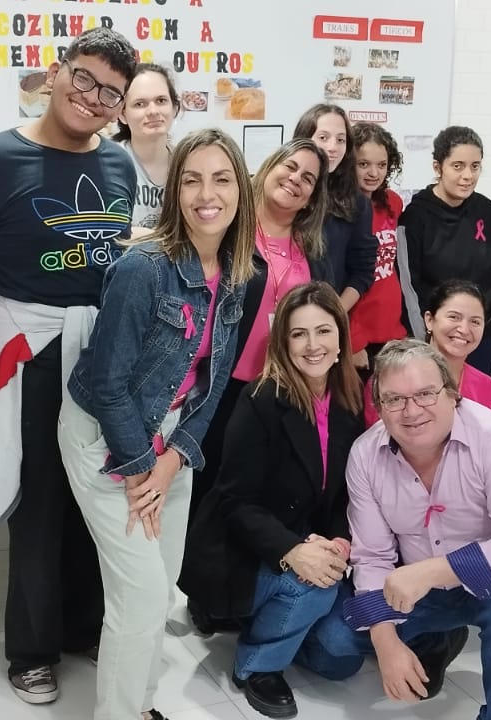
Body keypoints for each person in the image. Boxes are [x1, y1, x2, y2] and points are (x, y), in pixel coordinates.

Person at [0, 26, 138, 703]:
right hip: (27, 349)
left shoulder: (119, 164)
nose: (93, 97)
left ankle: (82, 625)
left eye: (110, 92)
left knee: (96, 493)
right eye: (84, 78)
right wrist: (3, 340)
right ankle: (30, 649)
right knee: (39, 500)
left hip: (100, 351)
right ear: (55, 72)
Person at [60, 128, 256, 720]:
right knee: (142, 598)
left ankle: (141, 706)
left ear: (240, 191)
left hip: (170, 437)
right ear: (174, 192)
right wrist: (143, 466)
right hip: (107, 435)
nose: (207, 194)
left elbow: (213, 381)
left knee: (162, 582)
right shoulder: (143, 268)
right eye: (192, 179)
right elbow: (107, 383)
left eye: (221, 179)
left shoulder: (238, 270)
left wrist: (174, 458)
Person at [298, 339, 491, 720]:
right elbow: (372, 557)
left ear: (452, 394)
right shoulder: (365, 455)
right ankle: (437, 636)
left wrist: (431, 571)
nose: (411, 411)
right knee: (335, 639)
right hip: (422, 583)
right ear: (379, 406)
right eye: (394, 399)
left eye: (425, 394)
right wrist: (386, 642)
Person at [179, 282, 363, 719]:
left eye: (323, 331)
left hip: (308, 537)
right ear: (283, 342)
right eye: (299, 334)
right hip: (243, 550)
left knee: (342, 659)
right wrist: (294, 553)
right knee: (316, 589)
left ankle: (276, 620)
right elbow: (234, 502)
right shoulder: (261, 398)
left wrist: (338, 543)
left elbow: (344, 494)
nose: (313, 345)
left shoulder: (350, 400)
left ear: (341, 338)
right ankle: (256, 667)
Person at [186, 139, 332, 615]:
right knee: (208, 495)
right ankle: (202, 595)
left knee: (255, 494)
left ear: (312, 197)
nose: (296, 179)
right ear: (268, 168)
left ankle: (240, 594)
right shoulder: (231, 230)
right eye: (290, 167)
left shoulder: (311, 249)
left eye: (308, 178)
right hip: (223, 384)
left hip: (278, 392)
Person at [397, 126, 491, 374]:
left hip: (479, 336)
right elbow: (408, 284)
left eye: (475, 166)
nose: (467, 175)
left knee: (475, 406)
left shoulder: (488, 211)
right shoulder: (415, 217)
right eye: (458, 166)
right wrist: (419, 339)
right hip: (435, 337)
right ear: (438, 167)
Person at [366, 280, 491, 425]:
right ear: (429, 320)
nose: (464, 329)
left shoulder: (487, 388)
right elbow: (376, 439)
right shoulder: (390, 377)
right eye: (454, 317)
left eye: (475, 322)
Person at [294, 104, 376, 311]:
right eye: (323, 137)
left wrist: (334, 312)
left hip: (326, 313)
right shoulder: (287, 190)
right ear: (304, 139)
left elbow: (363, 270)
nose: (333, 147)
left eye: (341, 140)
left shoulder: (356, 203)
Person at [346, 122, 406, 372]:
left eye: (381, 165)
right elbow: (336, 279)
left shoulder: (393, 202)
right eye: (363, 164)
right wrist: (353, 339)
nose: (374, 173)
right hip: (357, 334)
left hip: (392, 331)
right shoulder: (341, 209)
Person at [114, 62, 179, 231]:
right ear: (122, 114)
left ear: (175, 108)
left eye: (161, 100)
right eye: (140, 104)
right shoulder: (109, 163)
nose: (152, 111)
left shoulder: (187, 164)